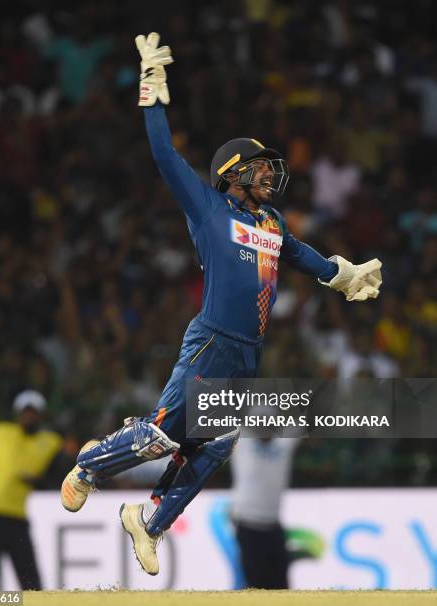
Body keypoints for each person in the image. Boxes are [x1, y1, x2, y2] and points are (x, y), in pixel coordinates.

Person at [60, 32, 382, 576]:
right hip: (211, 339)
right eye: (259, 166)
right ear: (232, 173)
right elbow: (163, 154)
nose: (269, 173)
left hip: (248, 353)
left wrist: (342, 276)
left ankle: (149, 519)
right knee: (164, 435)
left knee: (215, 445)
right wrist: (153, 89)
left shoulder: (272, 224)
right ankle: (90, 464)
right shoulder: (209, 209)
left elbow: (302, 256)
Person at [0, 390, 63, 590]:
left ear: (41, 416)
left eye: (33, 412)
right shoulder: (0, 432)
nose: (29, 416)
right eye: (26, 412)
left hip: (16, 518)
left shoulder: (50, 442)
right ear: (17, 413)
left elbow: (57, 475)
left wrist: (38, 481)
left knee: (32, 585)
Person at [231, 432, 299, 589]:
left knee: (282, 586)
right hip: (248, 526)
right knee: (256, 586)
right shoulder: (243, 441)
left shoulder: (284, 443)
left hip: (273, 526)